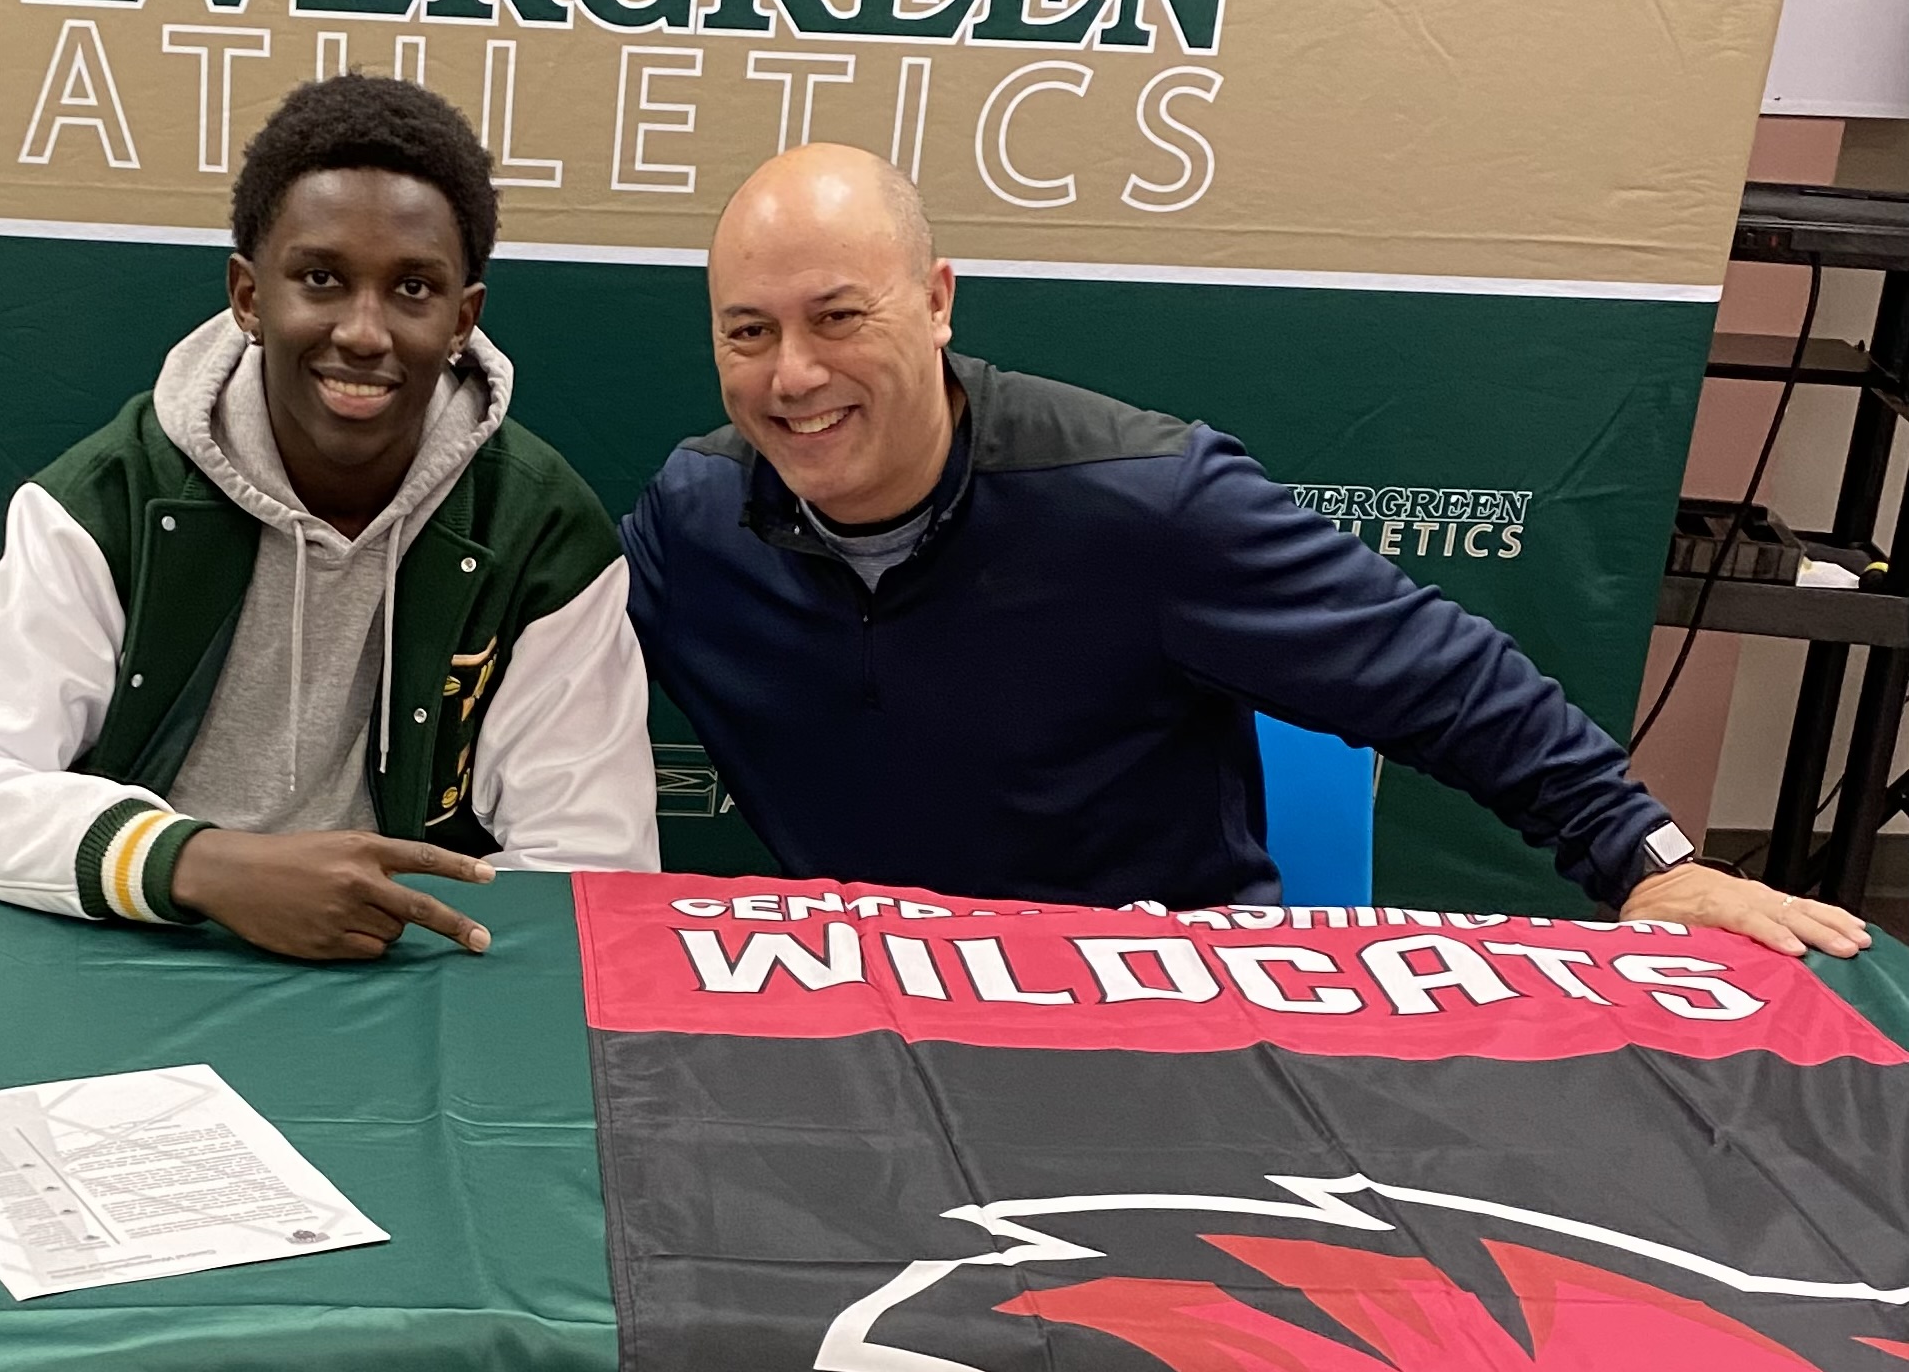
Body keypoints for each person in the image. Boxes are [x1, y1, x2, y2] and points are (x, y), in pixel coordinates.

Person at [620, 143, 1868, 957]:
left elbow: (1443, 675)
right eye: (748, 332)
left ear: (939, 299)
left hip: (1168, 1007)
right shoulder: (695, 519)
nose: (794, 375)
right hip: (873, 1012)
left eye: (841, 316)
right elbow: (523, 656)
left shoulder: (1143, 501)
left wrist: (1648, 861)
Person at [0, 76, 657, 960]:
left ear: (463, 319)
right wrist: (197, 863)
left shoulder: (540, 531)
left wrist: (398, 927)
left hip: (406, 971)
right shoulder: (116, 496)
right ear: (248, 295)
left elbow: (597, 868)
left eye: (412, 288)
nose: (363, 330)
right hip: (148, 943)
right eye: (321, 278)